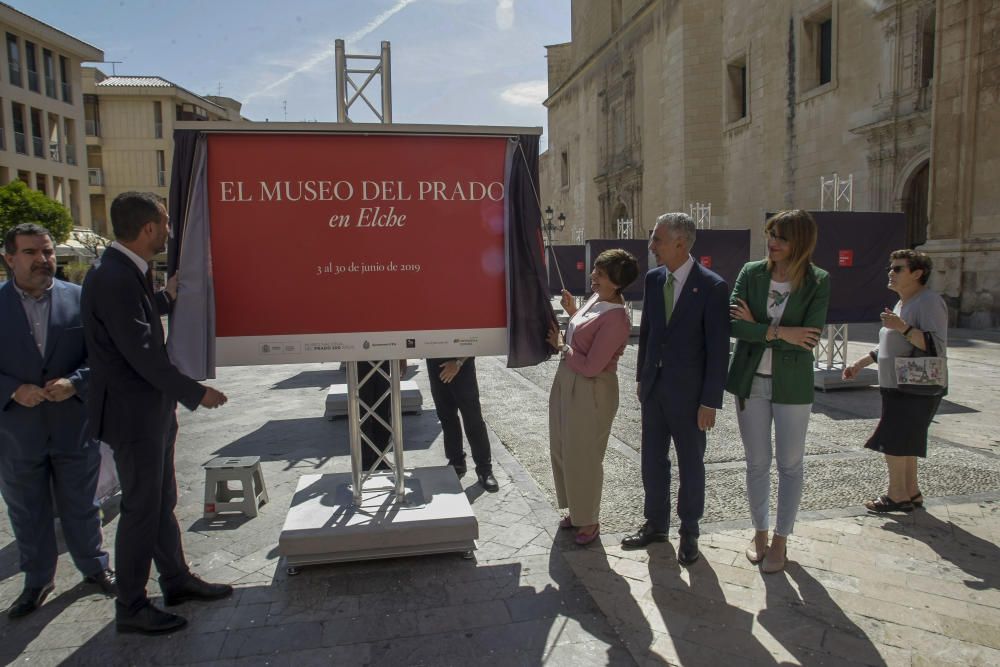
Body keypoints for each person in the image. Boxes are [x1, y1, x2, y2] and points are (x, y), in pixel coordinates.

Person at [81, 192, 231, 635]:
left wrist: (164, 299)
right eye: (165, 224)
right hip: (133, 415)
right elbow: (141, 351)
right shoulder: (114, 277)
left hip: (149, 412)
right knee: (142, 508)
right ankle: (130, 604)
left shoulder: (126, 271)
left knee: (160, 501)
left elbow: (138, 323)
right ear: (148, 229)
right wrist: (194, 392)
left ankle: (176, 579)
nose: (168, 232)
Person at [0, 224, 116, 619]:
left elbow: (102, 356)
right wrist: (14, 390)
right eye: (31, 252)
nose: (42, 260)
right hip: (18, 431)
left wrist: (75, 382)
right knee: (26, 508)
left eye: (47, 252)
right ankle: (37, 580)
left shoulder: (79, 299)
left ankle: (95, 567)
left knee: (83, 504)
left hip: (73, 424)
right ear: (9, 258)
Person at [622, 213, 730, 565]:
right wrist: (641, 379)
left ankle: (690, 530)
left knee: (690, 463)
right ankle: (655, 523)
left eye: (657, 240)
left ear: (680, 243)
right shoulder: (654, 281)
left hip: (691, 396)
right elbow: (649, 334)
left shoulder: (712, 286)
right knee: (652, 460)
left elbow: (718, 350)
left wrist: (710, 401)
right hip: (654, 390)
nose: (651, 247)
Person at [726, 210, 830, 573]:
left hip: (793, 385)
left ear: (799, 242)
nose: (773, 243)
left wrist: (760, 328)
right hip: (749, 380)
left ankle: (781, 541)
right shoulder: (751, 273)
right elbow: (733, 325)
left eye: (782, 237)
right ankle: (759, 532)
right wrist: (782, 333)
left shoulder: (818, 281)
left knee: (790, 464)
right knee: (756, 462)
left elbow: (810, 339)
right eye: (771, 234)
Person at [843, 249, 948, 513]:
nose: (891, 272)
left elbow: (935, 346)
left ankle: (896, 495)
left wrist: (902, 327)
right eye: (891, 267)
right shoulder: (904, 303)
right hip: (897, 384)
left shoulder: (928, 302)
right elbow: (892, 347)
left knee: (894, 441)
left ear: (917, 273)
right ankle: (911, 492)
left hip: (914, 386)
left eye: (898, 268)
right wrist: (860, 363)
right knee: (906, 441)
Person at [547, 249, 639, 545]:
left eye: (600, 274)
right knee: (562, 447)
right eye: (595, 271)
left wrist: (562, 346)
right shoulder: (597, 299)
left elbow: (591, 366)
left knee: (584, 456)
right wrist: (573, 310)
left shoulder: (617, 319)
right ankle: (577, 509)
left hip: (592, 389)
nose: (593, 276)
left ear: (616, 282)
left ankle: (589, 519)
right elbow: (583, 336)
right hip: (568, 380)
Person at [426, 357, 499, 492]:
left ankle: (485, 469)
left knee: (473, 419)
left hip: (462, 364)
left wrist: (458, 362)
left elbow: (476, 338)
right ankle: (456, 461)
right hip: (434, 362)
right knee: (446, 417)